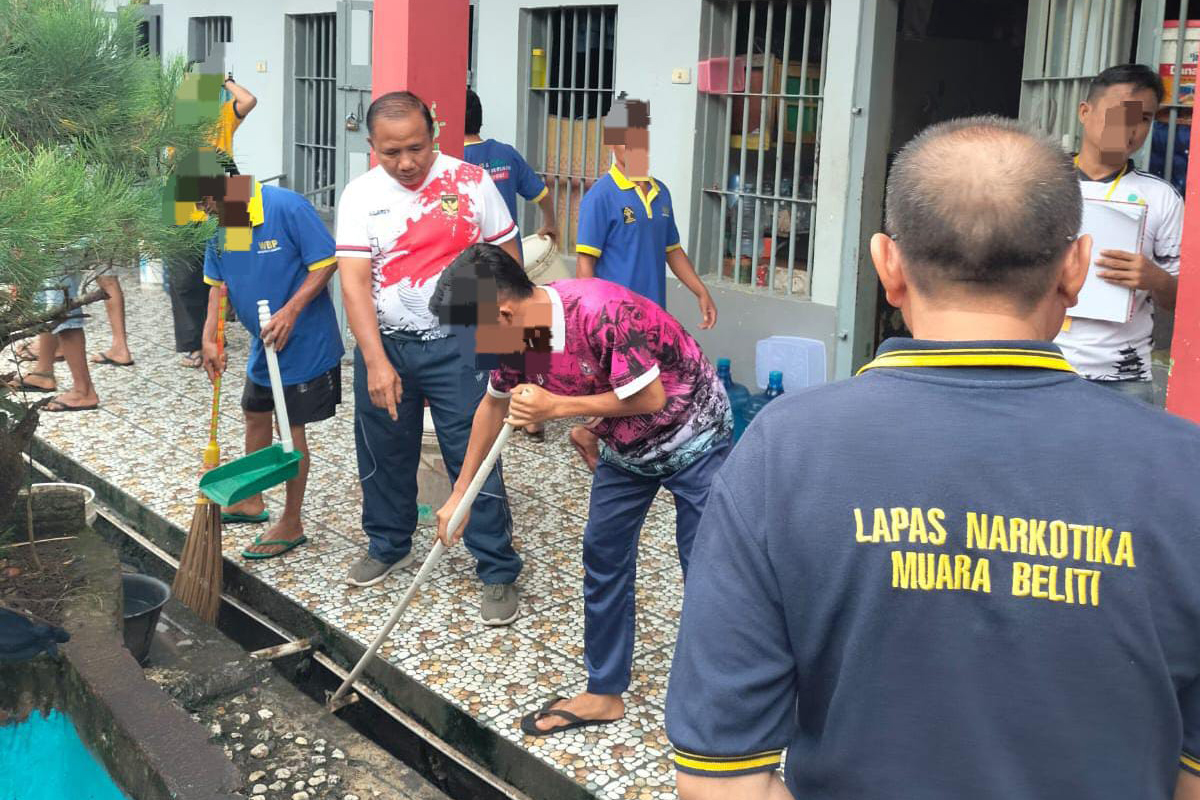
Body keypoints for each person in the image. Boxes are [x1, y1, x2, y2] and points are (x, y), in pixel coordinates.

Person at [663, 116, 1200, 800]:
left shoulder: (783, 451)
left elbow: (720, 780)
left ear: (886, 265)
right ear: (1077, 268)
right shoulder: (1184, 469)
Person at [430, 243, 732, 735]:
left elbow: (650, 396)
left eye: (472, 331)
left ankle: (722, 695)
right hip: (626, 447)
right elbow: (493, 407)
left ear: (502, 312)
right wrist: (459, 495)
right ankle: (604, 692)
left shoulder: (602, 311)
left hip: (692, 435)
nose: (473, 345)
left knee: (707, 564)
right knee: (603, 554)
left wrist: (560, 409)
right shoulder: (524, 329)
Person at [334, 91, 524, 625]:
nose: (407, 163)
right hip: (387, 344)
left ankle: (497, 568)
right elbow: (353, 284)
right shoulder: (359, 196)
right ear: (372, 146)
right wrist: (374, 361)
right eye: (391, 152)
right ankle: (389, 544)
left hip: (461, 346)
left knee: (475, 453)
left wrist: (521, 353)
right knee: (383, 450)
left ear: (434, 135)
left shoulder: (471, 183)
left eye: (416, 148)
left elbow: (509, 264)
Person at [199, 174, 343, 559]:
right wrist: (210, 337)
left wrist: (291, 311)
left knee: (289, 428)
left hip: (303, 339)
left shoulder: (285, 207)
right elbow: (217, 283)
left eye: (208, 204)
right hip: (263, 344)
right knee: (254, 412)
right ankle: (250, 499)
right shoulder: (222, 222)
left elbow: (327, 263)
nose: (206, 213)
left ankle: (291, 522)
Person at [572, 94, 717, 470]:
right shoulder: (600, 198)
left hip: (652, 314)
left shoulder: (661, 193)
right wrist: (586, 320)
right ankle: (600, 444)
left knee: (644, 386)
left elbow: (673, 250)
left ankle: (595, 436)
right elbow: (585, 264)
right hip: (613, 317)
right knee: (631, 388)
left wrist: (700, 290)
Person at [1055, 64, 1183, 403]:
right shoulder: (1040, 184)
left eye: (1144, 118)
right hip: (1040, 365)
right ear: (1085, 112)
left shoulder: (1161, 197)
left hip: (1124, 379)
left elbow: (1179, 301)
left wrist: (1153, 277)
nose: (1130, 128)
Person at [464, 88, 560, 441]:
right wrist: (551, 224)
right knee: (527, 335)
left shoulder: (450, 161)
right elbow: (542, 193)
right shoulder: (505, 154)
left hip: (471, 267)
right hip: (511, 261)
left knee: (484, 344)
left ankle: (490, 410)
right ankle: (533, 416)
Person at [7, 274, 99, 412]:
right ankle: (43, 372)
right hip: (47, 253)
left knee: (64, 311)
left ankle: (84, 392)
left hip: (58, 253)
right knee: (48, 306)